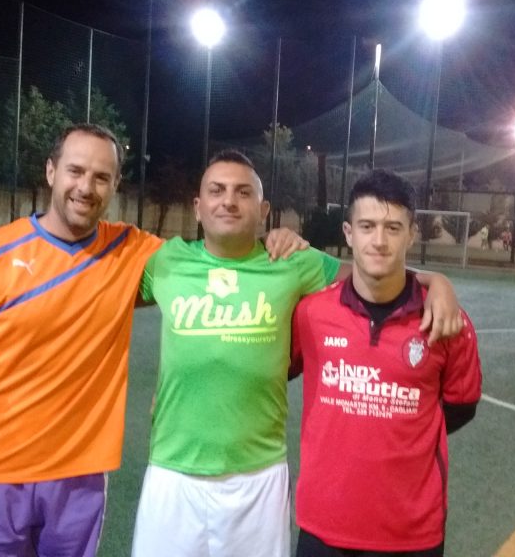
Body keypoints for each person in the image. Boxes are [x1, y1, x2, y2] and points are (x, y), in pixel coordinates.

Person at [0, 125, 305, 557]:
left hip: (80, 479)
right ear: (51, 172)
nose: (86, 187)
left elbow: (212, 262)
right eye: (75, 171)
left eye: (101, 177)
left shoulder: (130, 251)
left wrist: (273, 240)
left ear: (116, 184)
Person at [130, 152, 463, 557]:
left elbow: (372, 271)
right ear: (198, 207)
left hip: (259, 474)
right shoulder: (166, 262)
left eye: (243, 193)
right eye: (217, 191)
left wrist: (435, 280)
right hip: (172, 469)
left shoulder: (293, 262)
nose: (229, 201)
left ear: (263, 210)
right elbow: (110, 296)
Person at [290, 169, 483, 557]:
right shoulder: (311, 314)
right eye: (367, 226)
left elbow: (460, 408)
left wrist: (397, 425)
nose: (379, 241)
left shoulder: (447, 321)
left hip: (410, 533)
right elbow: (272, 371)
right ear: (349, 233)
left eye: (393, 228)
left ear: (412, 234)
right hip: (323, 524)